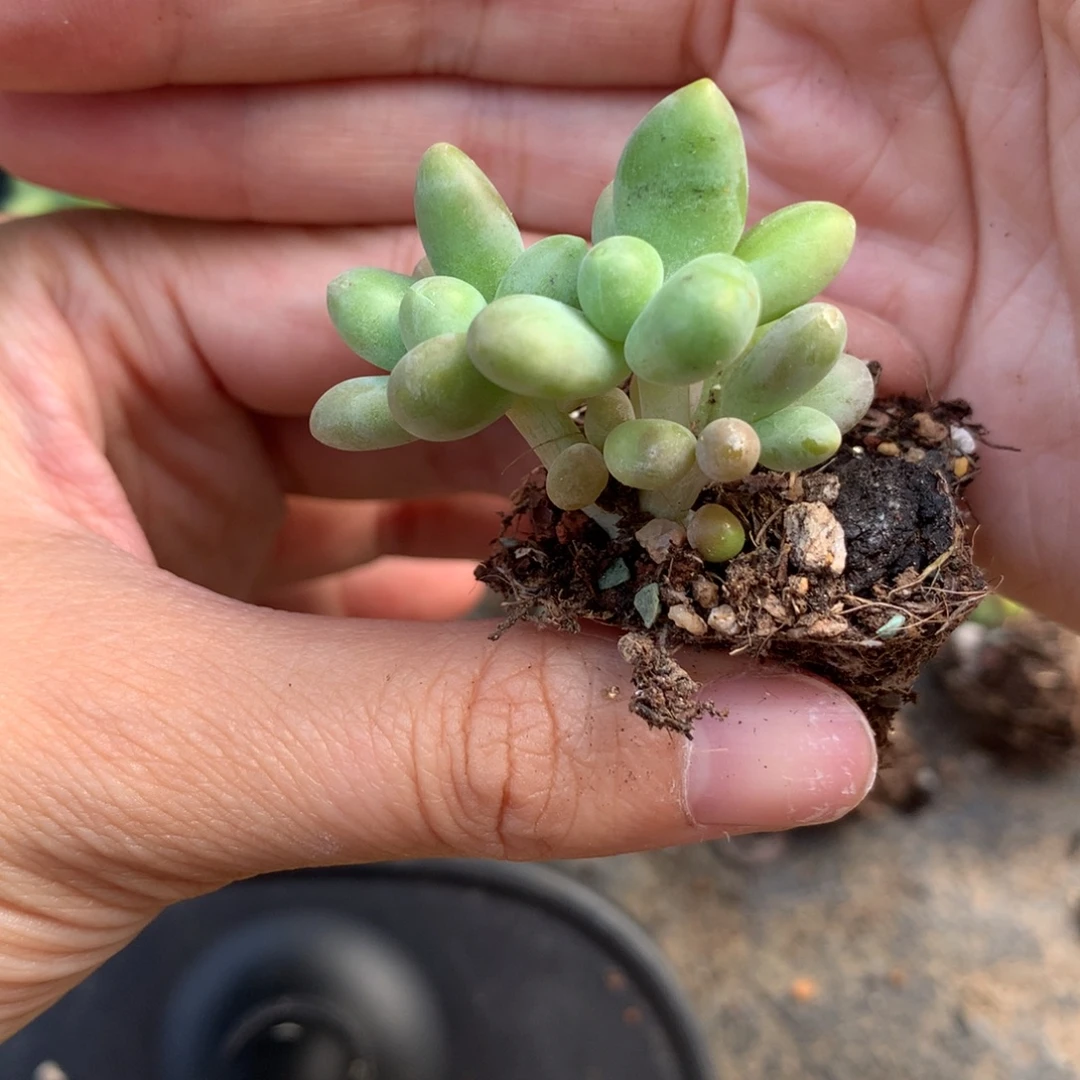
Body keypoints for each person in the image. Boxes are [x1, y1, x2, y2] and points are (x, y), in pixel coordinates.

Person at [0, 0, 1072, 1041]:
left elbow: (753, 376)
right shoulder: (558, 375)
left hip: (710, 474)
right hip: (662, 480)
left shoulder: (698, 371)